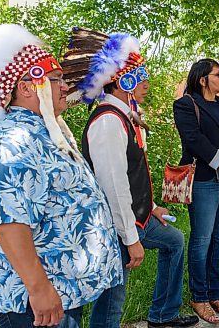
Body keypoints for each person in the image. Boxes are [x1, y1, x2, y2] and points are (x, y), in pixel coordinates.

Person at [0, 22, 122, 327]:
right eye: (55, 79)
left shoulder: (44, 130)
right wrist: (40, 289)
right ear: (28, 87)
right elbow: (9, 222)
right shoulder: (9, 140)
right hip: (33, 302)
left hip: (64, 289)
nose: (66, 86)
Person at [62, 28, 199, 328]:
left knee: (174, 241)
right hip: (116, 225)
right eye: (141, 75)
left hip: (135, 217)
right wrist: (131, 239)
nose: (147, 82)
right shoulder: (109, 122)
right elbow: (114, 187)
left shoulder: (123, 116)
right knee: (113, 298)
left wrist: (150, 209)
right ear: (125, 80)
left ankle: (163, 315)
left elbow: (132, 176)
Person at [173, 59, 219, 324]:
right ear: (203, 78)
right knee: (202, 239)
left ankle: (216, 294)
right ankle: (199, 297)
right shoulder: (186, 104)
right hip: (204, 180)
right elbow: (194, 140)